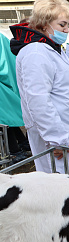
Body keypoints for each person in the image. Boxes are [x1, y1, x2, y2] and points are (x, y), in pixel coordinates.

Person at [9, 0, 69, 179]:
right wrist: (56, 139)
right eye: (62, 25)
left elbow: (56, 85)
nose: (67, 30)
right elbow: (38, 100)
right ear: (45, 23)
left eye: (68, 25)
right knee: (61, 188)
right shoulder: (36, 53)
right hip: (58, 136)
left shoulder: (53, 47)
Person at [0, 32, 29, 164]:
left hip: (4, 86)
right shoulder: (3, 38)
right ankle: (21, 144)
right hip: (8, 84)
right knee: (8, 120)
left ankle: (15, 151)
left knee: (5, 121)